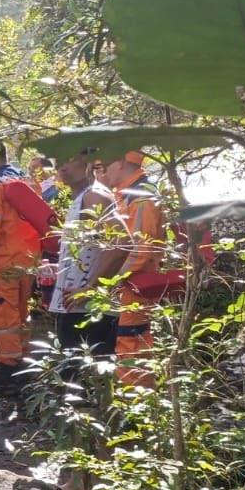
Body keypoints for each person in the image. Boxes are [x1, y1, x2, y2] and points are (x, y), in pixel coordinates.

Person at [0, 140, 54, 397]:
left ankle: (8, 375)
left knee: (2, 319)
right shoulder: (27, 180)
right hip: (28, 260)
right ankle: (23, 368)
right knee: (21, 315)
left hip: (2, 263)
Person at [47, 151, 126, 356]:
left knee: (81, 373)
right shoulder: (83, 196)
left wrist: (89, 288)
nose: (63, 167)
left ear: (89, 161)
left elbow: (122, 242)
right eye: (59, 160)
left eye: (70, 158)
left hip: (88, 312)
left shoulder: (94, 195)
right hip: (77, 309)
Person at [100, 151, 167, 388]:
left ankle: (134, 399)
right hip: (130, 285)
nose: (103, 171)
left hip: (135, 286)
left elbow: (140, 249)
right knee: (131, 342)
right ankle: (135, 395)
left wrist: (112, 280)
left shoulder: (141, 198)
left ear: (120, 163)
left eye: (106, 165)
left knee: (131, 342)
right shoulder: (129, 194)